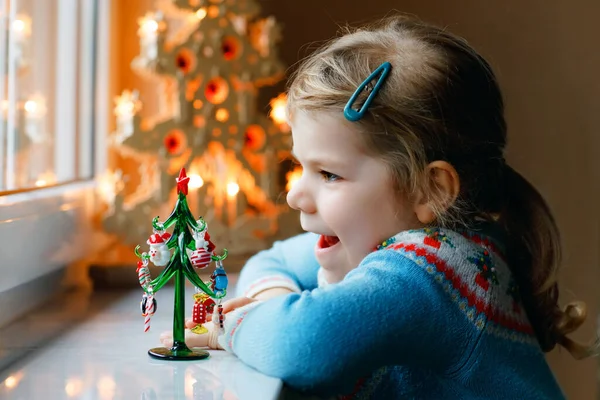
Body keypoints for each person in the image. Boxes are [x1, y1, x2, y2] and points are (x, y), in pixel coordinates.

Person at [161, 14, 597, 399]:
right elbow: (271, 260)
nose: (294, 194)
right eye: (300, 166)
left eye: (329, 174)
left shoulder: (437, 268)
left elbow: (303, 344)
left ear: (431, 190)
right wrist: (273, 298)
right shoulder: (379, 242)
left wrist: (229, 326)